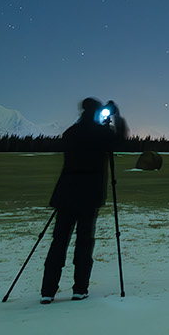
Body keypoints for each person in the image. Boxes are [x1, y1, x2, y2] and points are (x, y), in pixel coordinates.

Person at [40, 97, 127, 302]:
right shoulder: (101, 133)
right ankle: (80, 289)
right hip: (90, 196)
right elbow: (121, 140)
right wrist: (116, 117)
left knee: (59, 242)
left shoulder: (71, 133)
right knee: (84, 243)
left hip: (65, 195)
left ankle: (47, 291)